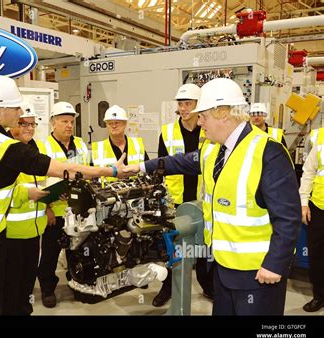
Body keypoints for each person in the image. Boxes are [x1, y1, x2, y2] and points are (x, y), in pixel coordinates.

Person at [0, 76, 124, 315]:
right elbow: (66, 170)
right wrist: (112, 170)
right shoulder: (6, 148)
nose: (19, 111)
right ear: (0, 112)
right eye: (15, 107)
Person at [122, 78, 301, 315]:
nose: (199, 121)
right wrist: (140, 167)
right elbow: (179, 162)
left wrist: (275, 263)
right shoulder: (213, 149)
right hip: (222, 266)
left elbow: (288, 216)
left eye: (203, 115)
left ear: (223, 113)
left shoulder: (267, 151)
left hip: (257, 273)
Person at [153, 83, 214, 307]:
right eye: (180, 104)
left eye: (188, 103)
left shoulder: (209, 130)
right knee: (172, 247)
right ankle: (168, 287)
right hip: (174, 201)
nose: (184, 108)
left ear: (199, 106)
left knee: (203, 247)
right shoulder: (167, 132)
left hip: (201, 201)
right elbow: (160, 166)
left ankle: (208, 285)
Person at [37, 101, 90, 308]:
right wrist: (46, 208)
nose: (69, 125)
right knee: (50, 252)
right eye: (64, 121)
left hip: (78, 210)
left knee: (77, 249)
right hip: (55, 211)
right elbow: (37, 181)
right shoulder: (42, 147)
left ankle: (77, 283)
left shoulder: (80, 144)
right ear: (53, 123)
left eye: (71, 121)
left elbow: (87, 171)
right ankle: (47, 288)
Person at [2, 103, 48, 315]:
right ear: (13, 125)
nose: (29, 128)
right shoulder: (5, 151)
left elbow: (41, 183)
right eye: (24, 124)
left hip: (34, 230)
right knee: (11, 283)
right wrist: (25, 194)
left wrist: (51, 197)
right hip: (11, 233)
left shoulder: (35, 150)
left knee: (27, 281)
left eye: (32, 124)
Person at [300, 127, 324, 312]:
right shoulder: (320, 136)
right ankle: (319, 296)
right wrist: (303, 203)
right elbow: (308, 171)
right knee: (317, 256)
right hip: (319, 206)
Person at [92, 104, 148, 181]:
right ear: (106, 125)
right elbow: (92, 177)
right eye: (110, 123)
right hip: (107, 192)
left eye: (117, 122)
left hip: (136, 191)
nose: (113, 126)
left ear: (125, 124)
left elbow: (147, 169)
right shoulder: (98, 148)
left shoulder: (137, 145)